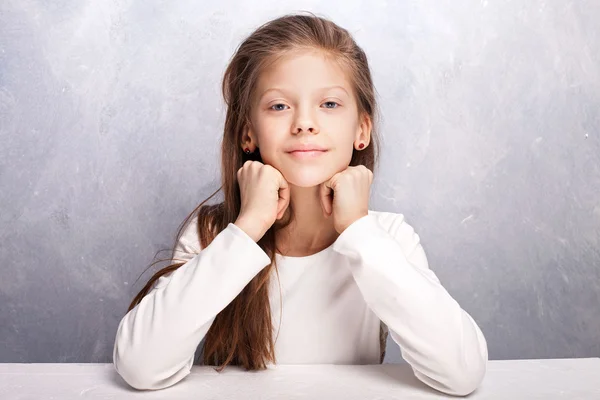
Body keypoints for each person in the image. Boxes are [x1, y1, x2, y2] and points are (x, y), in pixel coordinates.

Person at [112, 12, 488, 396]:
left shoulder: (386, 238)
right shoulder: (213, 235)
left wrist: (359, 231)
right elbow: (141, 366)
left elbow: (461, 372)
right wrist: (248, 227)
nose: (305, 123)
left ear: (361, 130)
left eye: (328, 104)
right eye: (279, 106)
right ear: (248, 133)